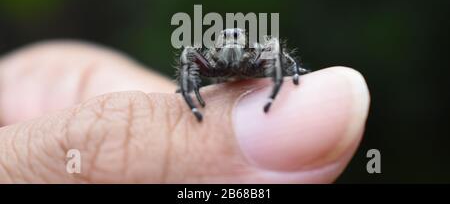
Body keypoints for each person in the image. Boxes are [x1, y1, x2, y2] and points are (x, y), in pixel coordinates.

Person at [0, 41, 370, 183]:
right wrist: (190, 98)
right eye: (222, 46)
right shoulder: (207, 61)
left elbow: (276, 51)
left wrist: (284, 84)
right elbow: (189, 61)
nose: (229, 53)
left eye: (235, 46)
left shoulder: (256, 57)